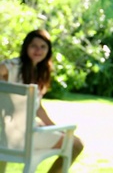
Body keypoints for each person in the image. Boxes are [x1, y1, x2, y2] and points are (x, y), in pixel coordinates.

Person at [0, 29, 84, 173]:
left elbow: (37, 108)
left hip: (10, 134)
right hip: (20, 136)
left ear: (48, 50)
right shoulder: (13, 65)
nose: (38, 50)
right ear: (26, 46)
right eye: (34, 45)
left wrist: (55, 127)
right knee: (75, 144)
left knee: (68, 138)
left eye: (43, 46)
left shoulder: (38, 73)